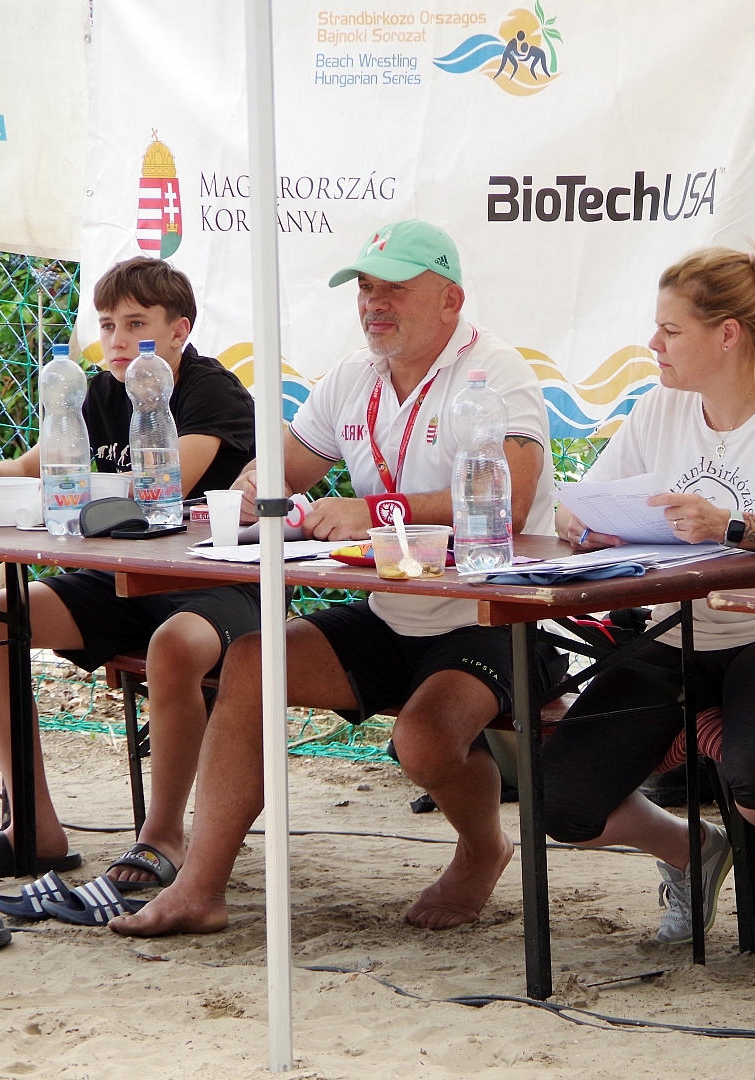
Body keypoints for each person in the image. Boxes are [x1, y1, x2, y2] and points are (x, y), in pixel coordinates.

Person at [111, 219, 564, 936]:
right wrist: (262, 487)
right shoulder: (355, 376)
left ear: (450, 300)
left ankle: (483, 850)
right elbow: (283, 468)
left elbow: (510, 490)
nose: (374, 304)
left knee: (423, 738)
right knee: (253, 662)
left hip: (493, 615)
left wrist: (375, 509)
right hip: (392, 610)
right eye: (365, 288)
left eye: (396, 290)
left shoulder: (495, 372)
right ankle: (199, 887)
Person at [540, 239, 755, 965]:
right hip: (675, 634)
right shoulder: (661, 408)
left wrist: (731, 527)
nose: (653, 344)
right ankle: (691, 849)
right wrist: (585, 524)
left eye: (670, 330)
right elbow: (578, 504)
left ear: (728, 335)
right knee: (559, 800)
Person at [0, 257, 260, 887]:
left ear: (179, 330)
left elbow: (164, 484)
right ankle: (33, 829)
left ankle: (162, 837)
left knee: (173, 645)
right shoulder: (99, 389)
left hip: (215, 579)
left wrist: (59, 490)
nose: (116, 340)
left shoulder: (209, 390)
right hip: (125, 578)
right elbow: (35, 465)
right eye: (107, 325)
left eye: (135, 324)